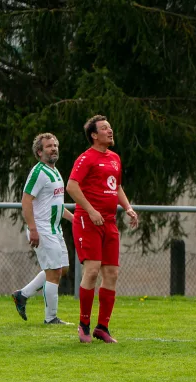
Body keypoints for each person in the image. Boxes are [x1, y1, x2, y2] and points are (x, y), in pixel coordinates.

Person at [66, 115, 139, 344]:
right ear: (94, 135)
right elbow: (71, 186)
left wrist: (127, 208)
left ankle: (102, 327)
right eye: (105, 128)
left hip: (109, 222)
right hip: (88, 221)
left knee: (112, 274)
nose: (110, 131)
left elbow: (115, 186)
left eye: (110, 127)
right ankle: (84, 325)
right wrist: (90, 210)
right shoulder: (86, 158)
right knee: (92, 271)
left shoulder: (115, 158)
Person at [12, 133, 74, 325]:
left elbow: (56, 204)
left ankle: (22, 295)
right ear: (39, 152)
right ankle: (51, 318)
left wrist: (74, 219)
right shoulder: (38, 172)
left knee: (62, 269)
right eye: (48, 146)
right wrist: (33, 229)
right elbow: (26, 200)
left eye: (55, 145)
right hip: (42, 228)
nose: (54, 148)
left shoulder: (55, 171)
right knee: (53, 271)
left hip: (55, 228)